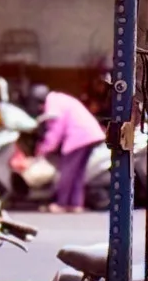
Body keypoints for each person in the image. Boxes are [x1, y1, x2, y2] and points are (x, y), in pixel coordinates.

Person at [27, 84, 103, 213]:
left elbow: (56, 130)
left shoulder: (53, 103)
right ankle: (75, 204)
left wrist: (44, 149)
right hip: (90, 134)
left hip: (79, 136)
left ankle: (61, 204)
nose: (40, 108)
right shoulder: (59, 98)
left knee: (67, 172)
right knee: (77, 173)